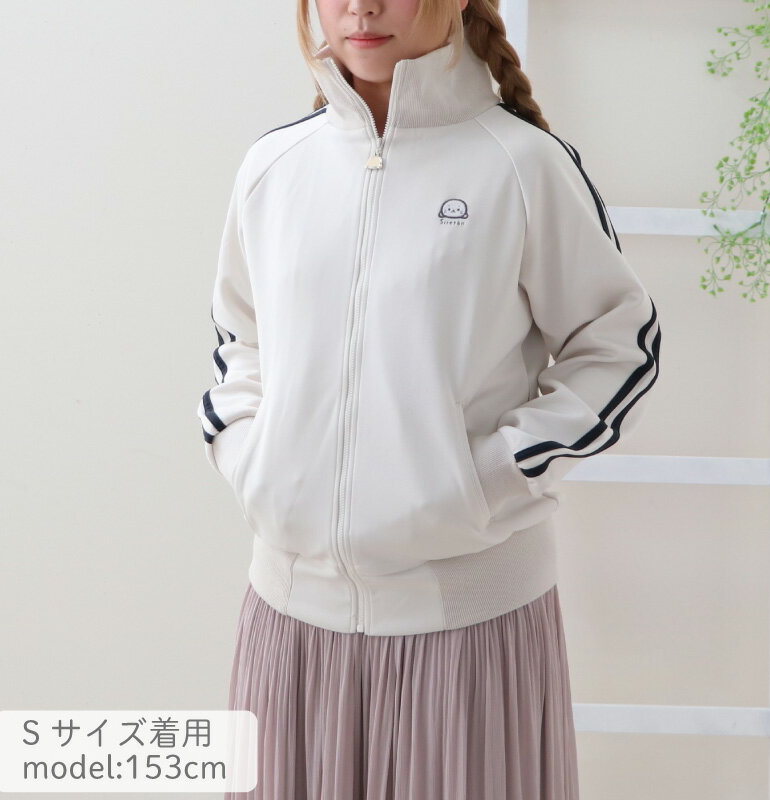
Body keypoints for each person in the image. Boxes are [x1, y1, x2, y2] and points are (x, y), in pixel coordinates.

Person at [197, 0, 662, 797]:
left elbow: (617, 345)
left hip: (465, 632)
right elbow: (240, 341)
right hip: (289, 625)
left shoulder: (522, 165)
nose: (361, 7)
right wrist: (250, 457)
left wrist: (487, 479)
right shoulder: (275, 167)